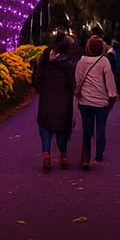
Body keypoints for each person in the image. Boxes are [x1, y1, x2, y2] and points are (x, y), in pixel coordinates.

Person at [74, 35, 118, 170]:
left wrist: (77, 92)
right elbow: (109, 80)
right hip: (102, 102)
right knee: (101, 128)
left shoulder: (81, 61)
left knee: (87, 129)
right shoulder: (104, 61)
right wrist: (112, 95)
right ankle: (99, 154)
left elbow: (78, 80)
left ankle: (86, 157)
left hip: (85, 101)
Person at [35, 35, 76, 171]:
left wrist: (41, 89)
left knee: (45, 127)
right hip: (64, 99)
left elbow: (37, 78)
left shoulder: (46, 59)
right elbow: (72, 82)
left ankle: (46, 155)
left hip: (47, 97)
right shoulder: (69, 62)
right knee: (62, 128)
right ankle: (63, 155)